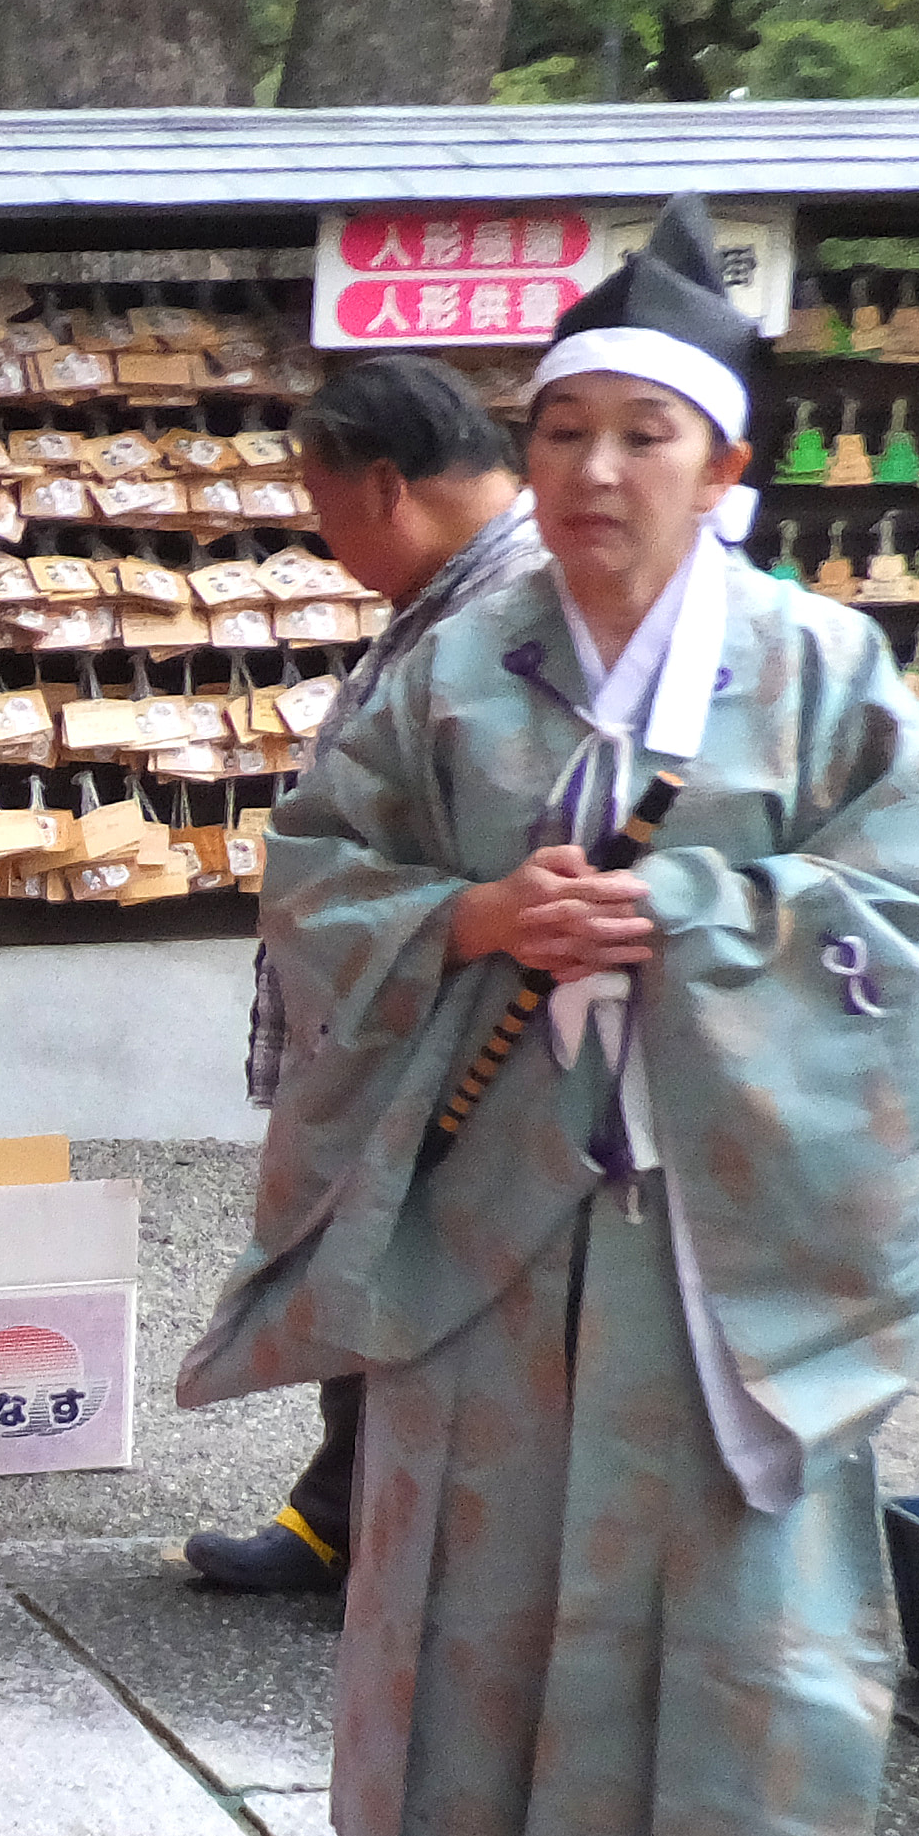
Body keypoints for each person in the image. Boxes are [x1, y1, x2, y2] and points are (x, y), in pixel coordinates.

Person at [180, 196, 919, 1836]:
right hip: (489, 1183)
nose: (594, 473)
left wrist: (700, 919)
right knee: (447, 1525)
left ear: (724, 463)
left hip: (712, 1210)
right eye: (560, 434)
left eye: (641, 436)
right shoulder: (456, 672)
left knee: (685, 1564)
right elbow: (315, 876)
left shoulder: (817, 673)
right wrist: (471, 921)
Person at [185, 354, 540, 1605]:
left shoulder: (533, 609)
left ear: (383, 485)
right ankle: (351, 1516)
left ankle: (408, 1541)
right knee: (368, 1259)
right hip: (408, 990)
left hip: (485, 1019)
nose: (321, 535)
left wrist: (468, 917)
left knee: (437, 1280)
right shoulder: (462, 599)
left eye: (323, 504)